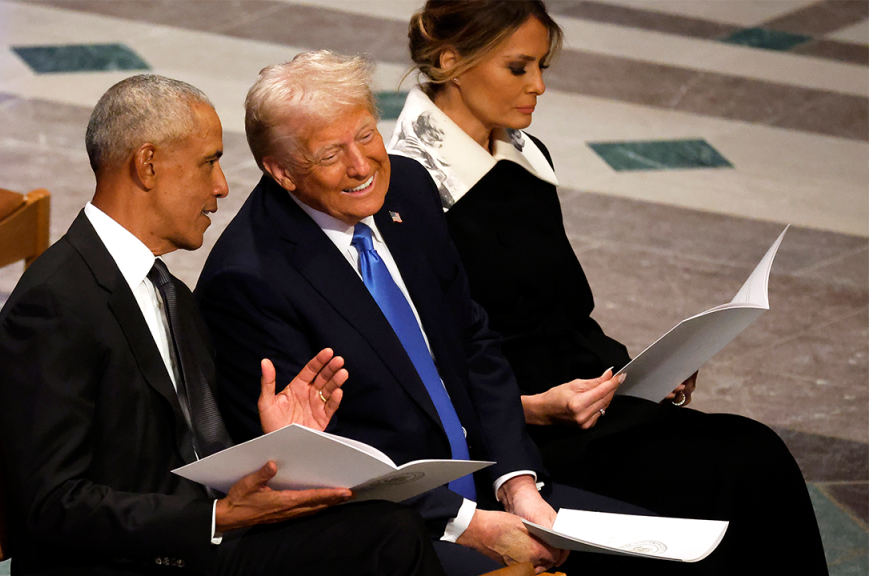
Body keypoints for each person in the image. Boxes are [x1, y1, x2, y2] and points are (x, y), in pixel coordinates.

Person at [194, 51, 718, 576]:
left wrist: (517, 485)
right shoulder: (248, 280)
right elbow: (312, 462)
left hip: (492, 485)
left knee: (673, 561)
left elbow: (473, 343)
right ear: (281, 170)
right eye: (331, 154)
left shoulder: (409, 189)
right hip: (396, 527)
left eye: (366, 135)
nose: (362, 166)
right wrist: (471, 524)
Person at [387, 1, 828, 574]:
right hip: (519, 437)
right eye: (519, 68)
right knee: (737, 467)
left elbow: (556, 312)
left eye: (543, 66)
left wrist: (645, 368)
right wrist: (534, 409)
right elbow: (421, 362)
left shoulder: (527, 156)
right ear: (451, 61)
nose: (539, 86)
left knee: (752, 455)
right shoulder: (407, 187)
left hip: (592, 405)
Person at [0, 74, 446, 576]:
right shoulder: (53, 305)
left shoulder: (169, 292)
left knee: (386, 526)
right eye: (209, 162)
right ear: (148, 165)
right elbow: (53, 503)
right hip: (136, 560)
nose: (222, 187)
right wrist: (213, 517)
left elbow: (185, 447)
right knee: (387, 541)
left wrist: (282, 445)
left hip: (202, 546)